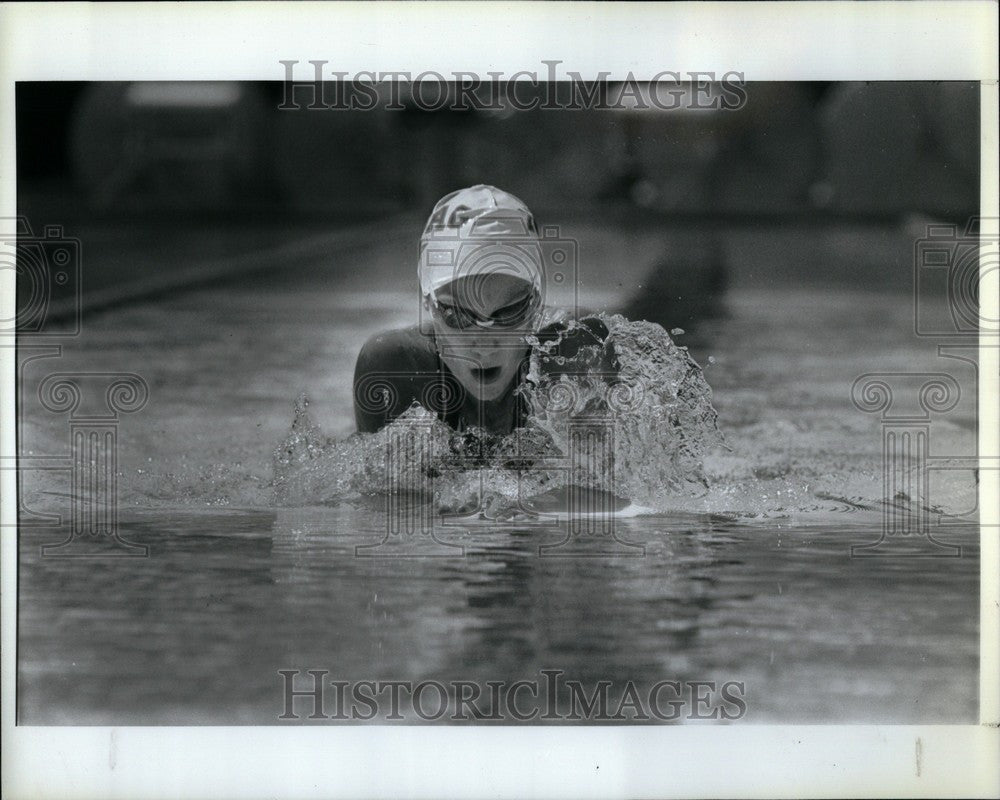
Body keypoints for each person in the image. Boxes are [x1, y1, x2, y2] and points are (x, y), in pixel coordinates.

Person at [353, 185, 615, 436]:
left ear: (536, 303)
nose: (484, 345)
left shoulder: (577, 350)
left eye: (509, 312)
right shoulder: (396, 367)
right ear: (427, 304)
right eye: (457, 315)